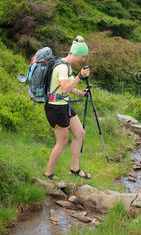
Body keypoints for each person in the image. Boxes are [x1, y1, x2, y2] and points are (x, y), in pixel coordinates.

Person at [44, 36, 91, 180]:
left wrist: (81, 93)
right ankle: (48, 173)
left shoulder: (66, 66)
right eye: (82, 56)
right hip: (56, 108)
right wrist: (80, 77)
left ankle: (74, 169)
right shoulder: (62, 67)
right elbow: (64, 89)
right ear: (75, 53)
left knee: (79, 133)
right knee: (62, 142)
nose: (83, 60)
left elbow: (68, 88)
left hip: (65, 105)